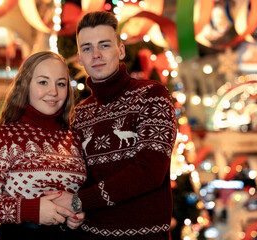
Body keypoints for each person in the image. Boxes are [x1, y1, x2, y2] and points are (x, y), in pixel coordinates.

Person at [46, 11, 177, 239]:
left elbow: (149, 172)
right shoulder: (80, 113)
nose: (96, 55)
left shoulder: (151, 95)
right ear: (80, 57)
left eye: (104, 45)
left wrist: (78, 201)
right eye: (87, 48)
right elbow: (77, 175)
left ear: (121, 50)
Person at [0, 51, 87, 239]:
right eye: (43, 82)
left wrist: (77, 212)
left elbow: (78, 195)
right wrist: (32, 210)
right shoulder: (4, 136)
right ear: (26, 85)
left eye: (61, 83)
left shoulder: (75, 137)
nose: (54, 91)